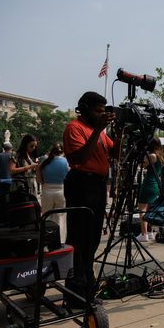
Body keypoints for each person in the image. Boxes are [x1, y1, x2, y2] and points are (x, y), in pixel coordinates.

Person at [63, 91, 122, 307]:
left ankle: (85, 284)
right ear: (84, 108)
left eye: (103, 111)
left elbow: (115, 154)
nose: (101, 114)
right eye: (98, 110)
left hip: (97, 184)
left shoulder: (98, 131)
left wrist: (120, 134)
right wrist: (98, 130)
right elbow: (81, 158)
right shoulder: (75, 127)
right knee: (79, 237)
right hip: (81, 183)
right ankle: (74, 292)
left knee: (93, 238)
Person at [35, 142, 70, 243]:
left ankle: (45, 240)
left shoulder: (44, 162)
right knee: (60, 218)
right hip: (61, 190)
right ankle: (59, 240)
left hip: (47, 190)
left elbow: (38, 180)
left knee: (46, 216)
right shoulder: (66, 162)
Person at [136, 136, 164, 242]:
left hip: (148, 183)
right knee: (150, 209)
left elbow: (141, 165)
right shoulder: (160, 156)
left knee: (142, 209)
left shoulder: (152, 155)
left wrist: (143, 156)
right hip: (155, 184)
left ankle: (144, 234)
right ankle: (150, 231)